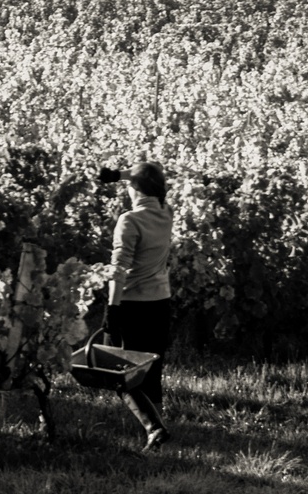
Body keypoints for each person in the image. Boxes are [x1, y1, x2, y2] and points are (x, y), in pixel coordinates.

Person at [104, 161, 175, 450]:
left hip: (132, 304)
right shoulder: (166, 213)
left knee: (117, 371)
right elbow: (153, 175)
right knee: (152, 370)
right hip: (160, 302)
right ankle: (159, 428)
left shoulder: (129, 221)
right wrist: (123, 175)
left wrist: (112, 308)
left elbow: (119, 269)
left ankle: (153, 428)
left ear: (133, 189)